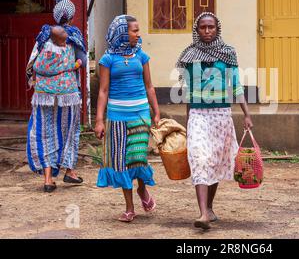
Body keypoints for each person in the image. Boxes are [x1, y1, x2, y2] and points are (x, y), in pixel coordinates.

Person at [176, 12, 253, 230]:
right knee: (200, 158)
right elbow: (189, 91)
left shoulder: (227, 54)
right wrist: (189, 119)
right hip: (199, 116)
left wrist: (246, 114)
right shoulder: (189, 56)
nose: (207, 31)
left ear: (217, 29)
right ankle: (203, 214)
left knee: (216, 162)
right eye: (203, 27)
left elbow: (236, 86)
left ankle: (209, 207)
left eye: (211, 27)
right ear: (197, 30)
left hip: (221, 115)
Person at [95, 15, 161, 223]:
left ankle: (142, 189)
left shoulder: (141, 56)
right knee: (122, 161)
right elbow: (103, 91)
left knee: (138, 157)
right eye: (134, 30)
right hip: (117, 117)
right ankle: (130, 207)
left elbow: (149, 86)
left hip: (140, 114)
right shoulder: (108, 59)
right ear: (123, 32)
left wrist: (156, 112)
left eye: (137, 30)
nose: (138, 34)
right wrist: (99, 119)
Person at [26, 25, 84, 193]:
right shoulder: (73, 41)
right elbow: (82, 60)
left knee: (45, 133)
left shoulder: (42, 42)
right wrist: (75, 64)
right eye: (64, 33)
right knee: (69, 132)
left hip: (44, 95)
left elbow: (32, 67)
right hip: (68, 96)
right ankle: (69, 171)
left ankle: (48, 179)